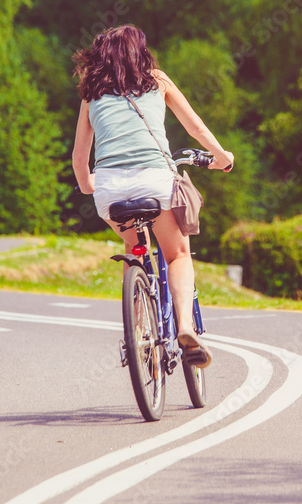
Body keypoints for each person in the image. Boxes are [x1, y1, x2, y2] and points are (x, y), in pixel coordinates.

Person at [71, 25, 234, 368]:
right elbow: (196, 128)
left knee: (135, 250)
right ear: (140, 53)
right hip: (156, 184)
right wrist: (222, 158)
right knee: (176, 255)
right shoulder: (157, 80)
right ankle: (185, 328)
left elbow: (79, 158)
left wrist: (89, 186)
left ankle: (141, 335)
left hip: (110, 191)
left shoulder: (91, 93)